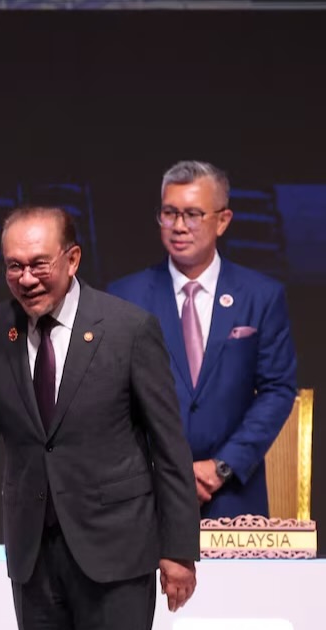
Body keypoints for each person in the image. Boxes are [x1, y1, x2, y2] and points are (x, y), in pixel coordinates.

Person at [0, 206, 199, 630]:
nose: (26, 279)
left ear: (73, 259)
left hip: (117, 552)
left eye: (38, 264)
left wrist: (179, 550)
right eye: (14, 266)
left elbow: (169, 446)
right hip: (33, 556)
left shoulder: (129, 330)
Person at [107, 160, 298, 519]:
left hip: (232, 493)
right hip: (145, 495)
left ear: (223, 220)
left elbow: (277, 390)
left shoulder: (261, 296)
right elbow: (109, 398)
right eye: (170, 213)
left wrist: (222, 466)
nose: (179, 226)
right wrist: (163, 471)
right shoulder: (124, 297)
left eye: (193, 214)